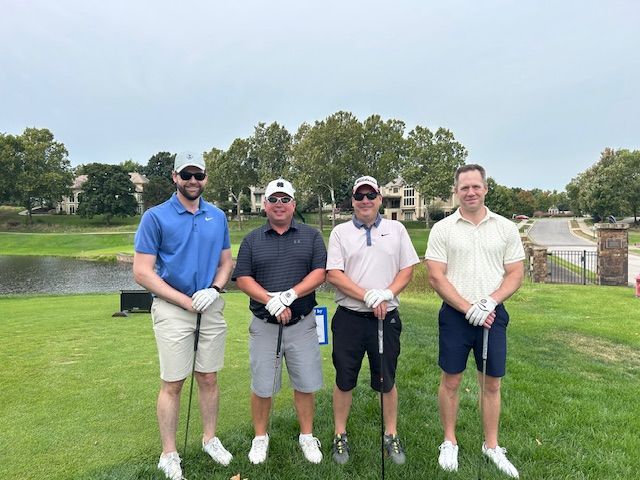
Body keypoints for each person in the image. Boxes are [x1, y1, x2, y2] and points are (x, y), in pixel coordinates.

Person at [133, 152, 234, 480]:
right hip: (174, 307)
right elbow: (143, 273)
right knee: (173, 382)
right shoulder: (156, 217)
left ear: (205, 177)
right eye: (187, 175)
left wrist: (215, 290)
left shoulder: (217, 216)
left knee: (208, 377)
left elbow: (226, 262)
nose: (193, 181)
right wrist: (185, 301)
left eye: (199, 175)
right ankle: (169, 453)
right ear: (175, 176)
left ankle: (209, 439)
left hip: (210, 304)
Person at [425, 164, 525, 479]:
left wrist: (490, 301)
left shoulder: (505, 228)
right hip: (455, 316)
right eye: (464, 187)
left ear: (485, 188)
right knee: (451, 380)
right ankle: (449, 440)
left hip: (493, 315)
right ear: (456, 190)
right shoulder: (443, 228)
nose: (470, 192)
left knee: (491, 383)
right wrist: (469, 307)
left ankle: (491, 445)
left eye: (476, 186)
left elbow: (515, 274)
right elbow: (435, 276)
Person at [326, 175, 420, 465]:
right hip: (350, 318)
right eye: (359, 196)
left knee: (386, 379)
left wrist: (387, 294)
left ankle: (391, 433)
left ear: (379, 198)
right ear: (352, 201)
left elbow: (407, 269)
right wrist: (368, 295)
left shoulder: (397, 228)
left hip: (386, 318)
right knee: (344, 379)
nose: (365, 200)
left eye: (370, 195)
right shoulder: (340, 232)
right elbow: (334, 274)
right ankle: (339, 434)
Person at [232, 178, 327, 465]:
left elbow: (319, 273)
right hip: (264, 325)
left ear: (293, 204)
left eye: (285, 199)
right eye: (273, 199)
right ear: (265, 206)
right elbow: (243, 278)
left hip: (302, 323)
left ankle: (307, 436)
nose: (279, 204)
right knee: (262, 385)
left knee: (305, 383)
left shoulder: (311, 236)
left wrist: (288, 296)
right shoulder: (252, 240)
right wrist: (269, 301)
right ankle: (260, 437)